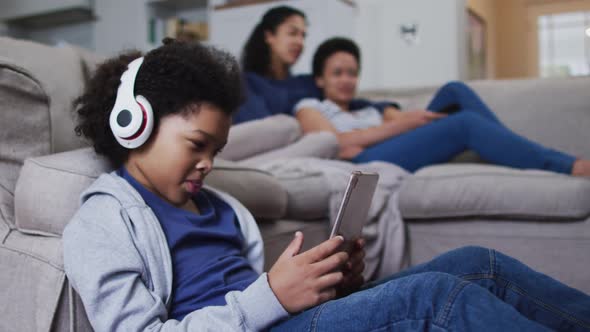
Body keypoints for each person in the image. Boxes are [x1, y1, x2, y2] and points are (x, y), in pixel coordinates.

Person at [63, 39, 590, 332]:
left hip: (276, 321)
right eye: (196, 144)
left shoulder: (221, 207)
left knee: (477, 263)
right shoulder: (104, 220)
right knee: (432, 298)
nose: (206, 164)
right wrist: (270, 296)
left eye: (216, 151)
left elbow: (262, 300)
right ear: (134, 123)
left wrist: (332, 285)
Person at [294, 37, 590, 176]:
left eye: (352, 73)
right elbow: (338, 145)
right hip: (365, 162)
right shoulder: (310, 106)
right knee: (464, 124)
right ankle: (566, 165)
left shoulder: (371, 108)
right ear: (320, 78)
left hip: (393, 143)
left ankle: (514, 149)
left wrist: (399, 123)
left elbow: (407, 123)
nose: (347, 80)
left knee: (454, 90)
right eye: (337, 73)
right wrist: (399, 126)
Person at [235, 5, 397, 124]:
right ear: (269, 36)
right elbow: (259, 128)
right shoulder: (246, 83)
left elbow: (346, 101)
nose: (300, 42)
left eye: (303, 36)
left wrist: (385, 108)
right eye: (292, 33)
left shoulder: (307, 84)